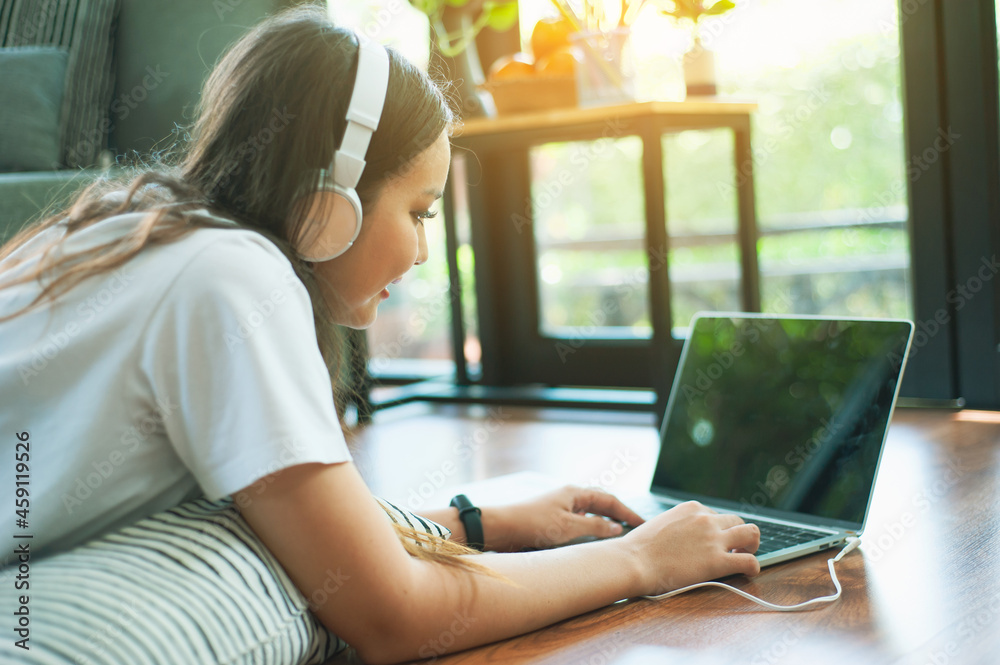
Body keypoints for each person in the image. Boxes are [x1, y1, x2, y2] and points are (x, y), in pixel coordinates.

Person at [0, 6, 760, 664]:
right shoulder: (228, 276)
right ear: (334, 196)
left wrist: (472, 521)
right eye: (421, 211)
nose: (425, 250)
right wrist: (638, 559)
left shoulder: (118, 231)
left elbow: (303, 520)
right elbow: (393, 616)